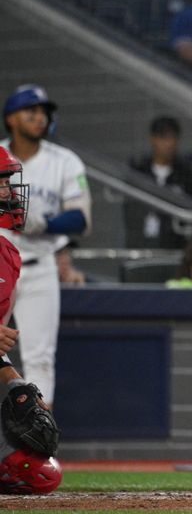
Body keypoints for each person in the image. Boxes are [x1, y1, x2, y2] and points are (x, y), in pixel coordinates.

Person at [1, 84, 92, 407]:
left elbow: (80, 218)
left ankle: (38, 444)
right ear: (11, 117)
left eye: (43, 112)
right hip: (0, 265)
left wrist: (45, 223)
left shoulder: (64, 161)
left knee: (40, 358)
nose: (40, 118)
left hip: (39, 265)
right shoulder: (0, 155)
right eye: (31, 111)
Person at [0, 146, 62, 495]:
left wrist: (15, 382)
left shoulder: (5, 254)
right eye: (1, 182)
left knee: (39, 473)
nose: (9, 191)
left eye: (9, 181)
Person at [124, 116, 192, 249]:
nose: (169, 144)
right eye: (164, 137)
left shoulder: (188, 177)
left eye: (173, 138)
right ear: (153, 139)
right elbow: (130, 214)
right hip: (141, 246)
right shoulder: (139, 175)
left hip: (175, 247)